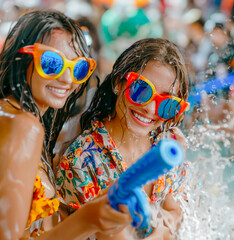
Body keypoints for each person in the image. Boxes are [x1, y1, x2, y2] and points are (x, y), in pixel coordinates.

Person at [0, 10, 136, 240]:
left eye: (79, 68)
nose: (67, 79)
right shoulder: (25, 127)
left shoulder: (11, 114)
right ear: (21, 57)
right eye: (52, 63)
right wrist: (88, 219)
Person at [56, 38, 190, 239]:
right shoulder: (82, 160)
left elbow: (179, 211)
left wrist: (166, 226)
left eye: (166, 103)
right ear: (119, 83)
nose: (150, 109)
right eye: (141, 90)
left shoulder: (169, 144)